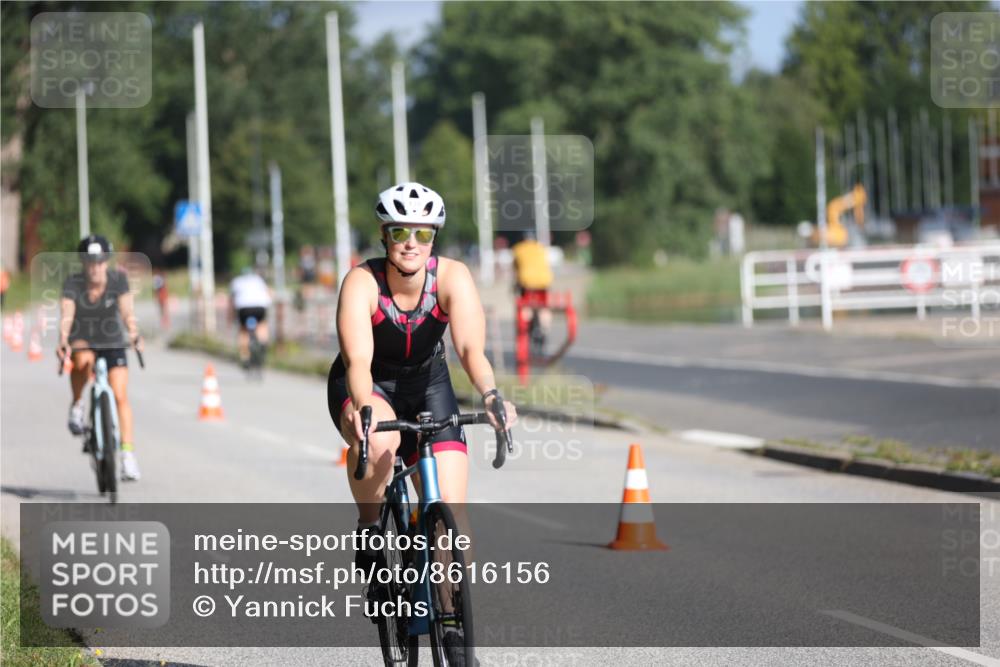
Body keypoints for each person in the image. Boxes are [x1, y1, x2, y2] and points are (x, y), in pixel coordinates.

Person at [327, 182, 517, 569]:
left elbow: (470, 350)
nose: (411, 243)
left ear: (434, 238)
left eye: (423, 234)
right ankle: (369, 528)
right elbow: (358, 361)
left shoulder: (452, 276)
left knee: (453, 518)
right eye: (400, 232)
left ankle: (444, 600)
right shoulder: (362, 282)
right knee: (379, 442)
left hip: (428, 383)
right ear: (384, 236)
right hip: (370, 383)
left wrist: (490, 394)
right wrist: (363, 408)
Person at [57, 235, 143, 481]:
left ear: (107, 262)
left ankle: (127, 456)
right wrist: (63, 339)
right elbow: (67, 312)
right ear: (83, 263)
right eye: (90, 262)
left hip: (112, 340)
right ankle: (77, 404)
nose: (95, 267)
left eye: (100, 261)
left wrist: (134, 334)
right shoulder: (73, 283)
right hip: (83, 338)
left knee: (120, 395)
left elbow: (126, 310)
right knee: (82, 360)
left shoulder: (118, 281)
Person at [511, 231, 554, 349]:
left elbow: (515, 270)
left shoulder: (518, 249)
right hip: (543, 282)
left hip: (527, 283)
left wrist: (514, 285)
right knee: (543, 307)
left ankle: (525, 330)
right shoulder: (541, 248)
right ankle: (544, 330)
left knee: (526, 306)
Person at [229, 267, 272, 368]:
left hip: (243, 308)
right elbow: (269, 294)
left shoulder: (236, 281)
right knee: (261, 325)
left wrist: (230, 317)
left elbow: (231, 301)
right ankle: (263, 343)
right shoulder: (258, 280)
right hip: (259, 306)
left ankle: (245, 357)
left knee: (243, 331)